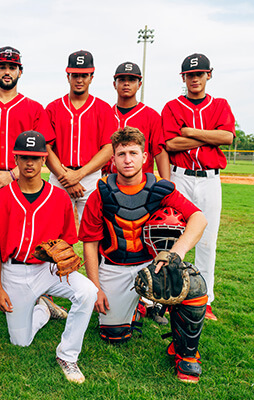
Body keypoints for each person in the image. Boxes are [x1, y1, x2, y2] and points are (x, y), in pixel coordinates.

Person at [79, 126, 209, 382]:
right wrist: (96, 288)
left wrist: (175, 254)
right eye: (121, 154)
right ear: (113, 159)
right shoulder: (101, 193)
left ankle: (186, 355)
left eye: (133, 153)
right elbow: (90, 244)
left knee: (192, 285)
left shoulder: (161, 188)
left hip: (152, 264)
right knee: (114, 336)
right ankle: (138, 307)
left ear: (144, 157)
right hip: (114, 265)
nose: (127, 159)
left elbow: (199, 218)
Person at [0, 130, 98, 384]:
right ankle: (44, 310)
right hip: (14, 271)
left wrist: (62, 255)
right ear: (15, 159)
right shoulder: (1, 198)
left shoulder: (59, 197)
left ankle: (67, 355)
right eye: (24, 157)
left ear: (44, 159)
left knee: (87, 292)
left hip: (48, 270)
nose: (30, 163)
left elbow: (69, 240)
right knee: (20, 342)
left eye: (35, 157)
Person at [0, 46, 55, 324]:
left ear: (20, 71)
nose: (7, 71)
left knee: (23, 236)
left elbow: (44, 146)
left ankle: (38, 291)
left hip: (23, 178)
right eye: (2, 66)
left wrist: (11, 175)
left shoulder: (34, 108)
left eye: (12, 67)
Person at [161, 53, 235, 321]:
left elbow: (226, 137)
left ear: (209, 75)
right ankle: (168, 297)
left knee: (207, 242)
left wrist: (190, 132)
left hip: (210, 179)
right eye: (190, 74)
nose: (195, 78)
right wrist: (209, 138)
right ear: (183, 77)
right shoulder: (171, 106)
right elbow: (170, 145)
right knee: (172, 237)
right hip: (180, 176)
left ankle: (205, 301)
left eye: (200, 74)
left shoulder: (220, 105)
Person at [111, 61, 172, 325]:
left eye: (132, 79)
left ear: (139, 83)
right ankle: (116, 292)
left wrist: (165, 186)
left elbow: (159, 151)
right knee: (114, 241)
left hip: (144, 188)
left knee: (147, 240)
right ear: (114, 83)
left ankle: (149, 298)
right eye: (122, 78)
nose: (127, 83)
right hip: (111, 184)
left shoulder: (150, 114)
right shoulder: (105, 112)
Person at [45, 50, 117, 222]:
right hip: (59, 177)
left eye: (84, 75)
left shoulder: (103, 109)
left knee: (93, 237)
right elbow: (46, 148)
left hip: (91, 178)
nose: (79, 80)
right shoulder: (53, 108)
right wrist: (66, 178)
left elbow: (108, 148)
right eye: (74, 75)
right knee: (55, 238)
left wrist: (78, 175)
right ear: (67, 76)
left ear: (91, 77)